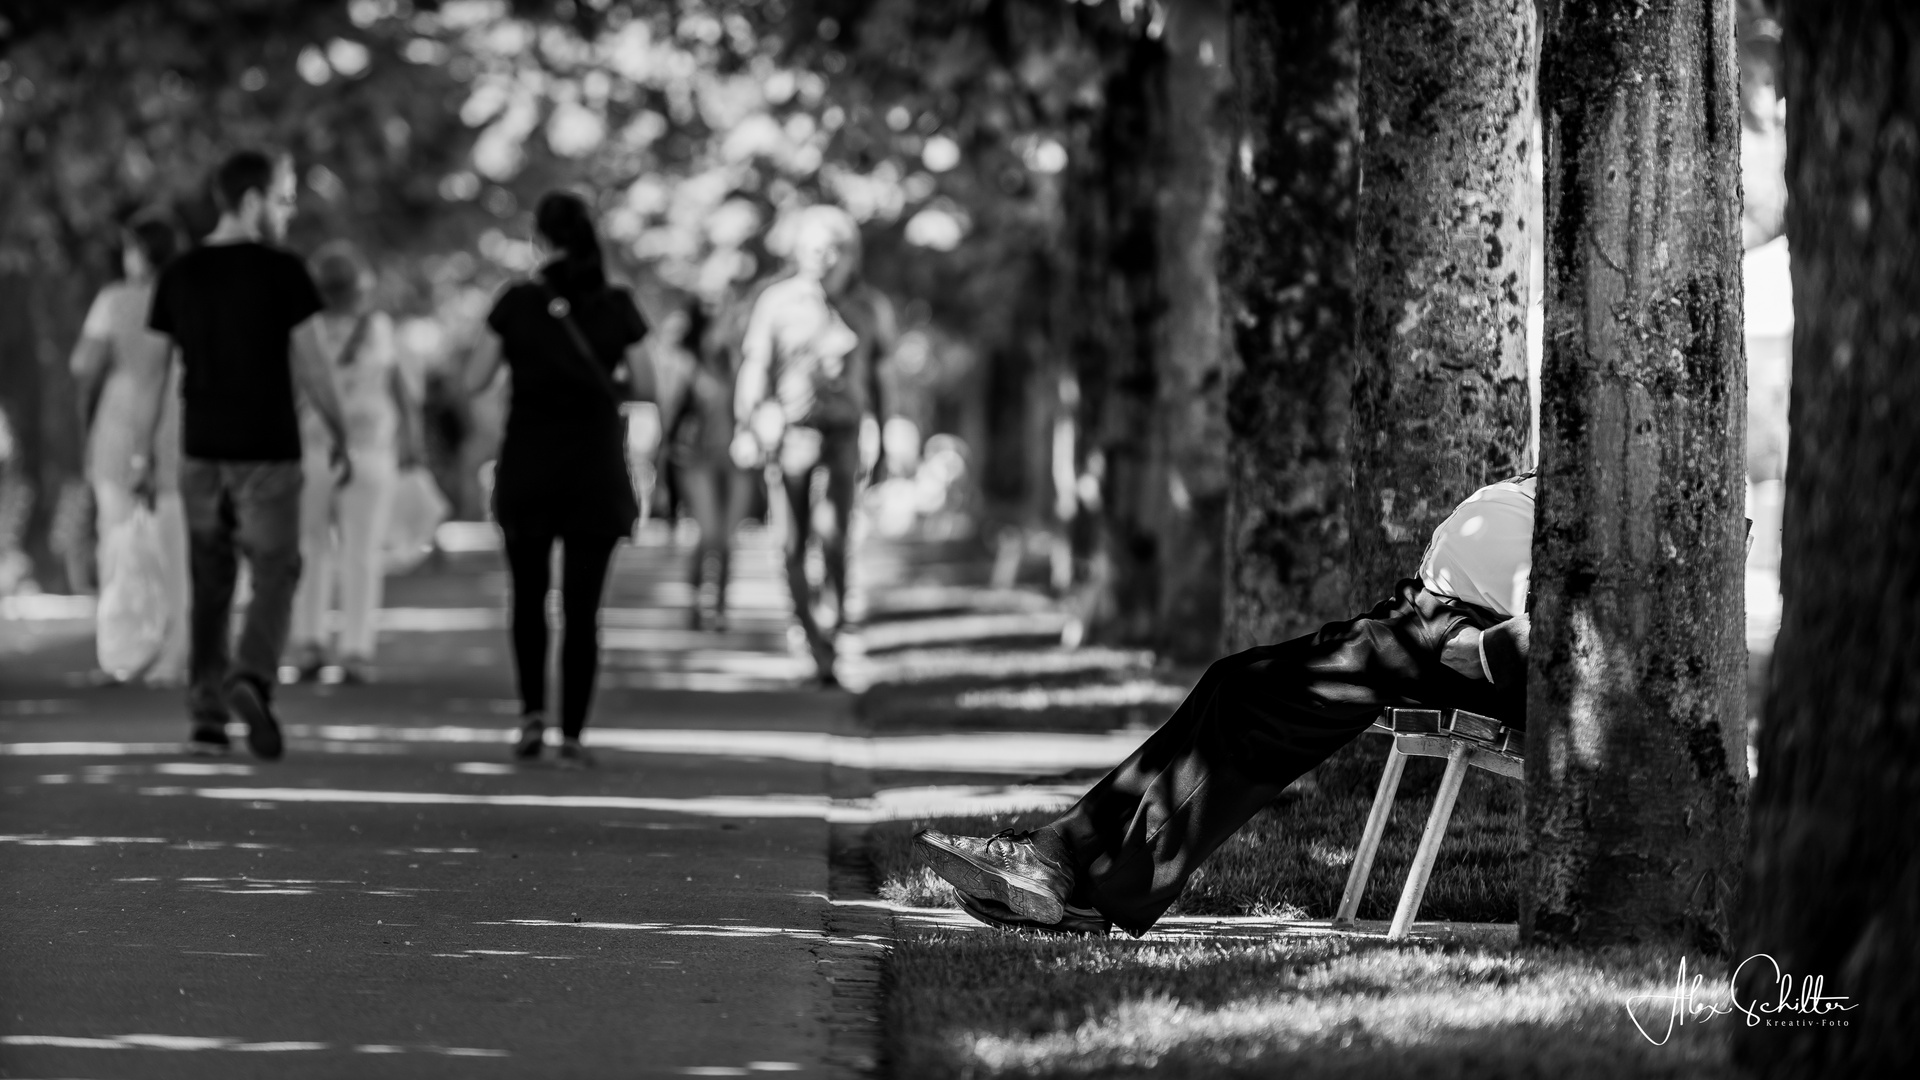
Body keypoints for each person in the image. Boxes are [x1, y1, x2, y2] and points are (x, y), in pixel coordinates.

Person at [917, 473, 1538, 936]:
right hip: (1429, 617)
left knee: (1256, 707)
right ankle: (1061, 853)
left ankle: (1095, 890)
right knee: (1233, 680)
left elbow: (1591, 619)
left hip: (1458, 643)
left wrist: (1485, 652)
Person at [146, 149, 353, 759]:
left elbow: (155, 377)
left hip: (200, 448)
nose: (287, 212)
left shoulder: (179, 274)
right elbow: (313, 361)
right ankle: (251, 675)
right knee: (276, 569)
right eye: (284, 198)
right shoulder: (283, 270)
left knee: (210, 580)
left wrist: (140, 456)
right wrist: (341, 430)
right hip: (268, 447)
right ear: (254, 199)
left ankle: (207, 714)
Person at [463, 191, 647, 767]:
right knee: (583, 609)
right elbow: (649, 384)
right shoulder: (618, 303)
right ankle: (572, 734)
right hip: (595, 467)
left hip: (530, 466)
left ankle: (531, 718)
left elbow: (474, 376)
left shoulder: (516, 301)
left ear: (539, 239)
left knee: (527, 597)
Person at [732, 205, 895, 685]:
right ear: (800, 253)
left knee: (835, 537)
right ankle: (810, 633)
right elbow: (754, 367)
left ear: (852, 256)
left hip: (844, 436)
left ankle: (832, 626)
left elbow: (885, 383)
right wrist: (750, 420)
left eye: (836, 249)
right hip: (790, 435)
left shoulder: (871, 308)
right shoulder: (776, 303)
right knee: (789, 544)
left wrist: (885, 442)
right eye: (815, 249)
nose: (826, 258)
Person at [285, 242, 422, 685]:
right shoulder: (380, 329)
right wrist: (413, 448)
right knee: (361, 552)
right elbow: (405, 395)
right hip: (370, 451)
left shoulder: (303, 330)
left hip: (311, 448)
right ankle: (356, 648)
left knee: (310, 547)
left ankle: (309, 641)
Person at [69, 215, 191, 685]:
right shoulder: (185, 297)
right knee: (173, 547)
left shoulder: (115, 300)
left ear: (139, 253)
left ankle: (124, 649)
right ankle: (174, 645)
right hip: (178, 427)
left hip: (119, 427)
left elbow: (83, 362)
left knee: (117, 539)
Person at [661, 299, 749, 631]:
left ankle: (721, 604)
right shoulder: (687, 366)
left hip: (736, 461)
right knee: (708, 532)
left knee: (727, 537)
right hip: (697, 461)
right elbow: (671, 421)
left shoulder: (737, 364)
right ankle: (696, 601)